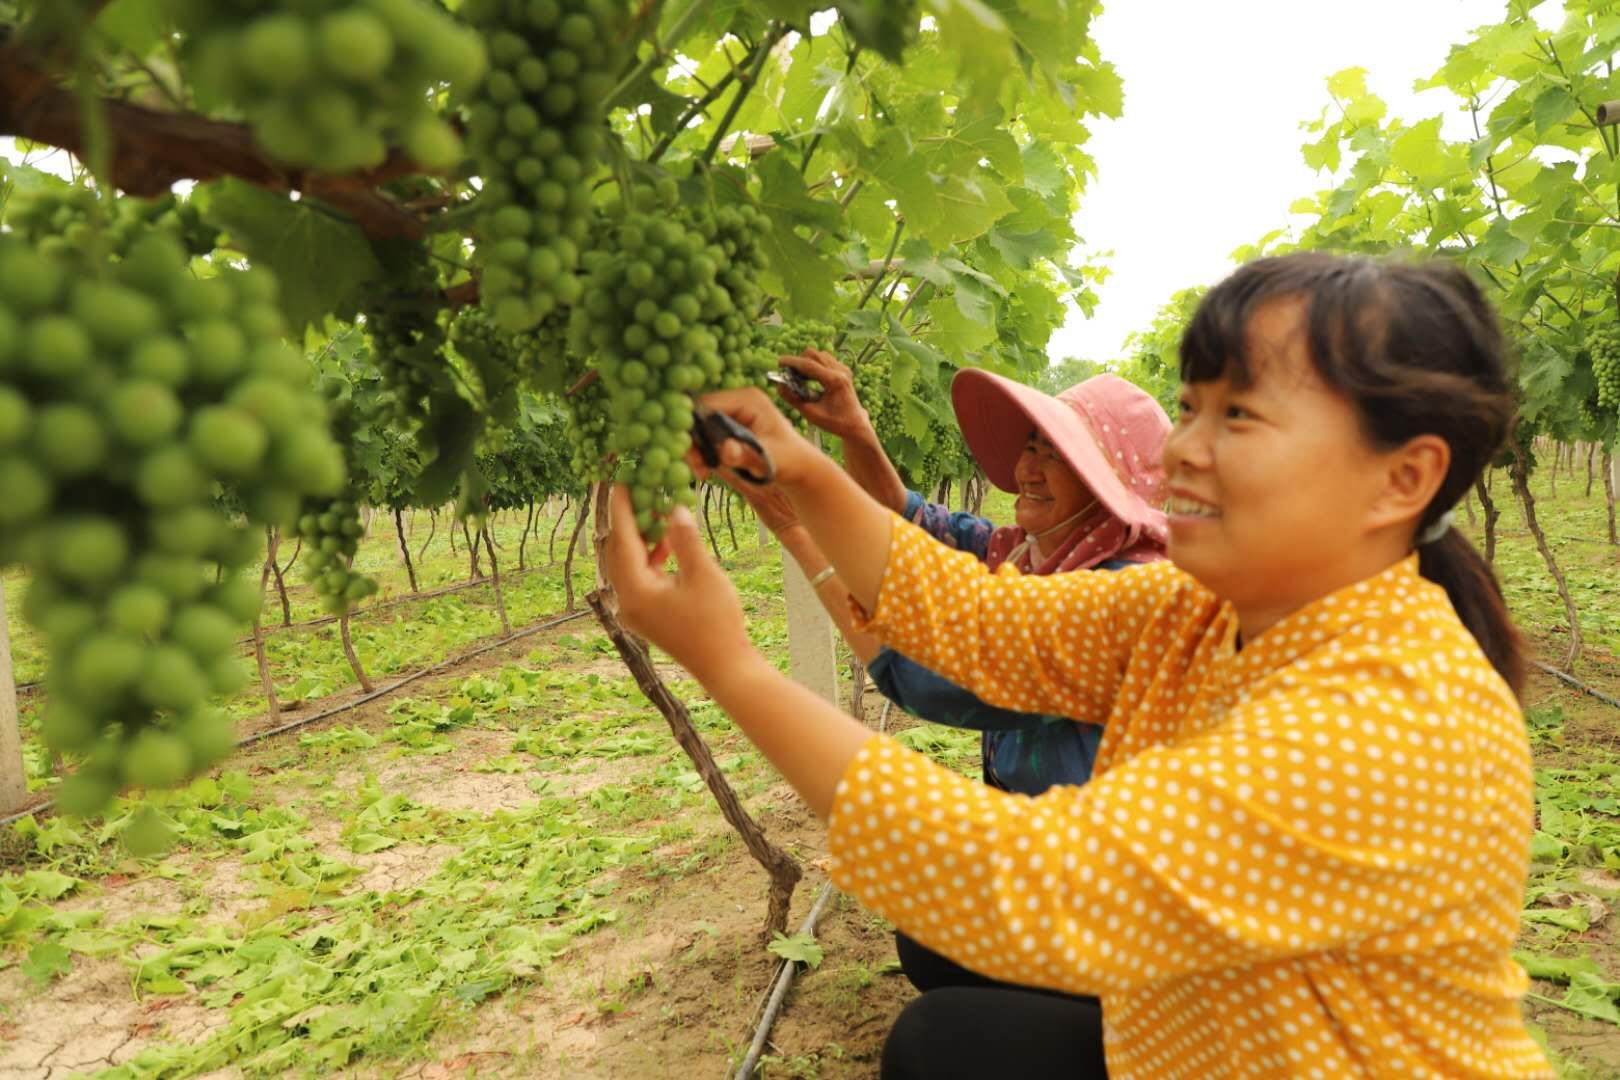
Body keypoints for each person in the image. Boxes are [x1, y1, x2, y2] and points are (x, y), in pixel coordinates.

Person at [603, 252, 1551, 1078]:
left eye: (1239, 416)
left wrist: (729, 665)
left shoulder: (1392, 721)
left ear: (1402, 478)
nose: (1181, 450)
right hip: (1191, 1040)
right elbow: (981, 618)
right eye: (1190, 408)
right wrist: (798, 467)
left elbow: (1028, 881)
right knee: (945, 1039)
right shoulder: (1195, 610)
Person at [732, 362, 1170, 999]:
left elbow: (926, 680)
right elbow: (909, 522)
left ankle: (1087, 1005)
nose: (1029, 468)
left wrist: (797, 530)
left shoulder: (1118, 598)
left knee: (934, 1032)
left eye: (1058, 456)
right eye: (1032, 447)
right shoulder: (1031, 553)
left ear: (1108, 488)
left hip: (1107, 891)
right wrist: (856, 432)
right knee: (928, 940)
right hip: (1047, 844)